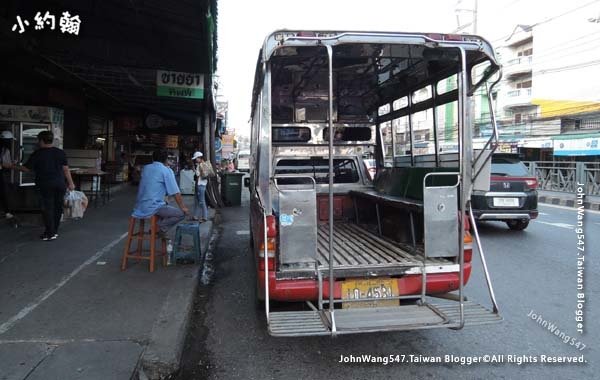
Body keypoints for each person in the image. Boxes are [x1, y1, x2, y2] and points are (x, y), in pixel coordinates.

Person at [14, 130, 75, 241]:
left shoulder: (38, 153)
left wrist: (12, 166)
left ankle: (50, 233)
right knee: (57, 208)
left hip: (45, 185)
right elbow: (66, 169)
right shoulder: (60, 152)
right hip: (60, 184)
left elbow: (26, 168)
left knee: (48, 208)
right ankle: (53, 231)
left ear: (41, 140)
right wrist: (71, 183)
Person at [132, 149, 188, 238]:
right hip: (154, 207)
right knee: (181, 214)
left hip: (139, 206)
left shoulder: (146, 168)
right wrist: (183, 207)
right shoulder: (166, 171)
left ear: (153, 158)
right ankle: (158, 228)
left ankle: (161, 229)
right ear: (166, 159)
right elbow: (175, 193)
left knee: (165, 204)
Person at [192, 151, 213, 222]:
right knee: (198, 201)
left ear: (199, 158)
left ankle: (204, 217)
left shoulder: (200, 165)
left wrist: (194, 169)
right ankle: (195, 216)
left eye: (196, 158)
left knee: (201, 201)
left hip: (200, 185)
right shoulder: (205, 164)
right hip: (203, 185)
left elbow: (197, 175)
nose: (195, 160)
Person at [0, 130, 16, 220]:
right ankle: (7, 212)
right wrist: (14, 164)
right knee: (3, 192)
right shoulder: (5, 150)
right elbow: (7, 164)